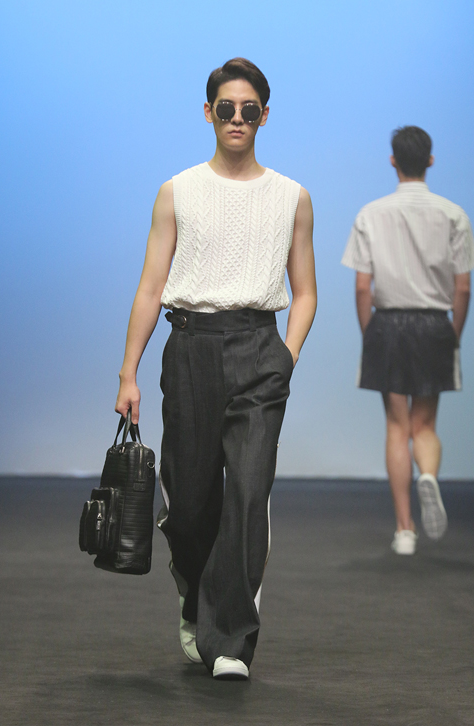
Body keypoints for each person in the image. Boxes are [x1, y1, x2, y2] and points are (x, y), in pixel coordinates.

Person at [115, 59, 316, 680]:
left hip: (259, 350)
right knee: (190, 504)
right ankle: (195, 599)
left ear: (264, 115)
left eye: (248, 109)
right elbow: (151, 288)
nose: (236, 118)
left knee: (249, 493)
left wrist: (286, 356)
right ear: (208, 113)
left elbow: (305, 290)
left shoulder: (292, 197)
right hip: (190, 348)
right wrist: (128, 373)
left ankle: (229, 639)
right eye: (226, 108)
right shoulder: (177, 191)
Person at [342, 126, 473, 556]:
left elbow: (363, 287)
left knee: (397, 427)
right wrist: (453, 335)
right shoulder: (454, 214)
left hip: (388, 323)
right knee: (425, 425)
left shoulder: (371, 214)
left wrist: (370, 334)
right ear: (430, 161)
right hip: (435, 324)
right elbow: (463, 288)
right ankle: (428, 475)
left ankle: (404, 530)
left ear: (393, 161)